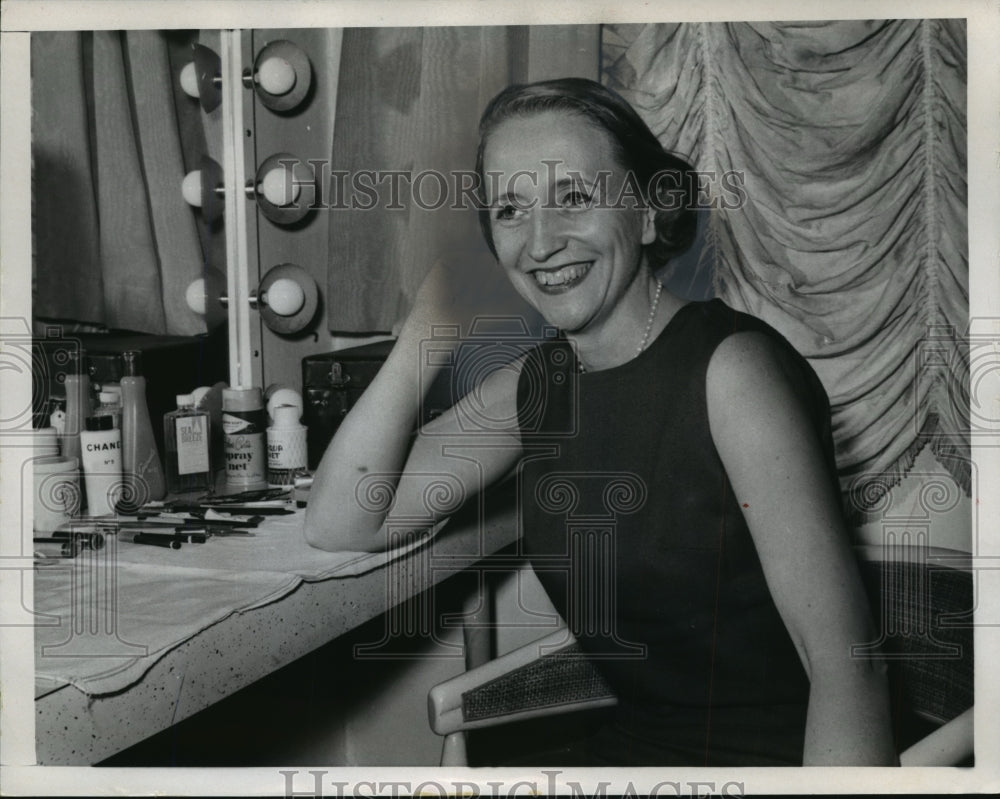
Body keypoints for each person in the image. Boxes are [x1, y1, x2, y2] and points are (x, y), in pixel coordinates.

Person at [305, 78, 895, 766]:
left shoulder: (734, 372)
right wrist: (426, 331)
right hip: (638, 756)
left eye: (575, 198)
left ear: (648, 214)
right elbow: (344, 518)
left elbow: (849, 669)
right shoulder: (540, 384)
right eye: (510, 210)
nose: (541, 243)